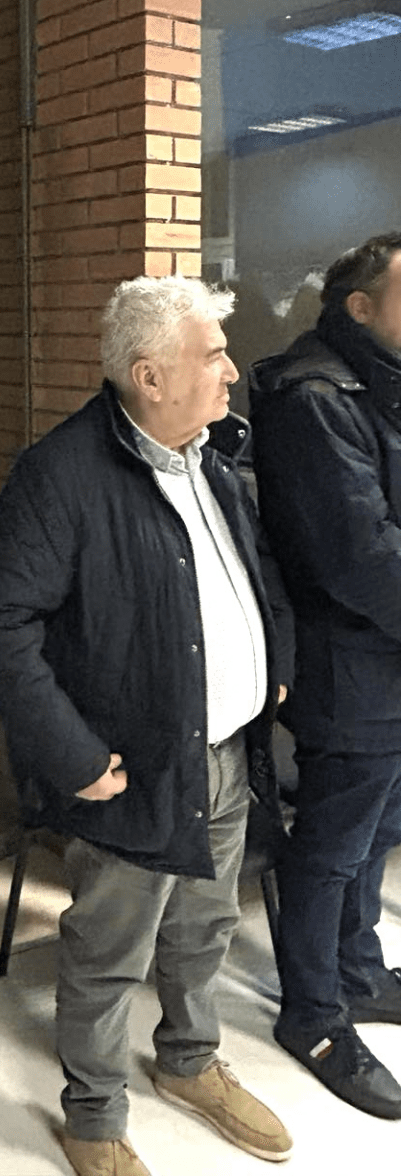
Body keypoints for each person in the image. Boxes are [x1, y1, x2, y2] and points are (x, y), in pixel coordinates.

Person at [0, 276, 293, 1176]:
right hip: (130, 769)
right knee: (109, 954)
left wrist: (275, 667)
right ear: (149, 376)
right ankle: (95, 1117)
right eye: (212, 356)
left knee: (204, 927)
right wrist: (70, 755)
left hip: (225, 753)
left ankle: (189, 1062)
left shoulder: (212, 455)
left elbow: (254, 570)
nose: (231, 371)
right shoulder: (61, 475)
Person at [250, 232, 401, 1119]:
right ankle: (312, 1015)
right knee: (333, 845)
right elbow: (360, 558)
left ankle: (360, 970)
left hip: (388, 658)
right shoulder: (314, 396)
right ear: (361, 307)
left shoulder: (380, 384)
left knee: (379, 829)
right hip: (348, 668)